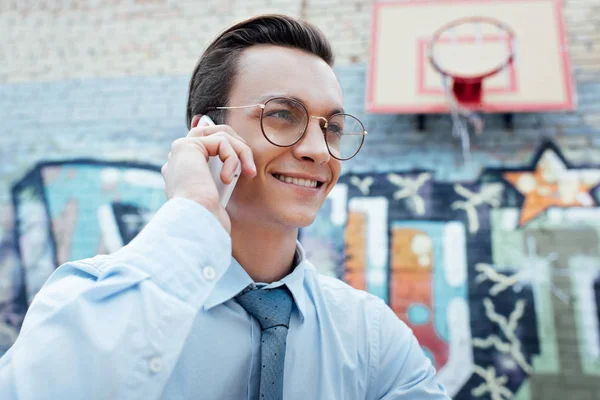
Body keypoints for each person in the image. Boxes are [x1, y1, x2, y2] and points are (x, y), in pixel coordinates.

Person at [0, 14, 449, 400]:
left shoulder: (371, 337)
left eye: (331, 127)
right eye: (281, 114)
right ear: (208, 133)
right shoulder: (86, 296)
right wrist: (194, 206)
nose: (319, 150)